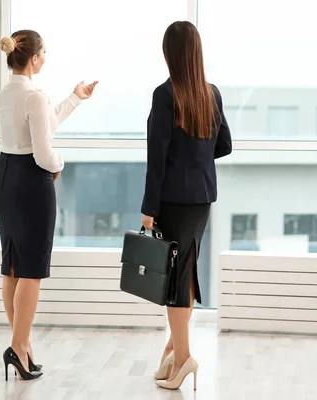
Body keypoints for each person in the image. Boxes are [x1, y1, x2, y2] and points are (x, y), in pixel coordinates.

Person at [0, 30, 98, 381]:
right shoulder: (34, 95)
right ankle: (19, 348)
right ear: (35, 58)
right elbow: (43, 151)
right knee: (32, 269)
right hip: (30, 180)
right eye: (45, 52)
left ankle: (21, 348)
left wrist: (74, 97)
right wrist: (60, 165)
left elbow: (44, 124)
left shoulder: (6, 93)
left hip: (4, 176)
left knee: (12, 265)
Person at [141, 21, 232, 390]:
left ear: (169, 54)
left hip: (173, 200)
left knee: (175, 282)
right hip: (202, 198)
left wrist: (148, 208)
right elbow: (224, 145)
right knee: (186, 274)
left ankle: (183, 359)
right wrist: (198, 155)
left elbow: (156, 159)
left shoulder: (165, 95)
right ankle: (172, 350)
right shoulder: (211, 94)